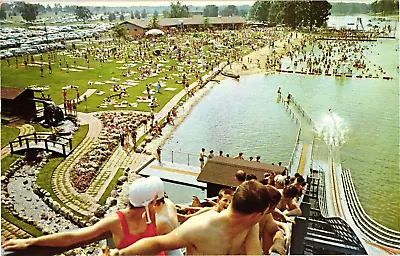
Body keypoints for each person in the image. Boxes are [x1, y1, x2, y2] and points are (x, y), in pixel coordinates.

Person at [2, 177, 162, 252]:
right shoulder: (115, 221)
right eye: (155, 200)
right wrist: (31, 242)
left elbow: (174, 225)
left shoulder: (153, 214)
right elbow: (72, 237)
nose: (157, 202)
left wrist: (186, 215)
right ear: (148, 203)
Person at [110, 180, 270, 255]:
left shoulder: (250, 227)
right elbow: (158, 243)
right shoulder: (201, 227)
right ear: (256, 215)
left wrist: (278, 241)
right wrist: (121, 254)